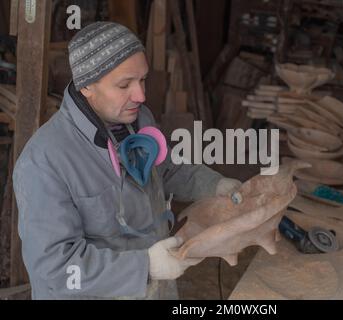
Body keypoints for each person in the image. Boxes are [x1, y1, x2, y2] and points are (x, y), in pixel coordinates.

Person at [12, 21, 241, 300]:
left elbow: (163, 169)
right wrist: (145, 267)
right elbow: (56, 268)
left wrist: (215, 185)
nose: (141, 95)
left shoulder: (137, 119)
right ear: (86, 86)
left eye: (143, 79)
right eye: (125, 84)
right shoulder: (44, 162)